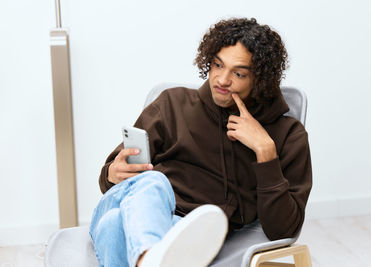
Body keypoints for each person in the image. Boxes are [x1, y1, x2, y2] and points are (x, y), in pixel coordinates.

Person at [90, 17, 312, 267]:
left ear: (260, 79)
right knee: (152, 181)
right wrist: (111, 173)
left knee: (112, 225)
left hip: (185, 231)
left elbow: (283, 230)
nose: (222, 80)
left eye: (238, 73)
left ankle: (148, 257)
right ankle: (148, 257)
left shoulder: (287, 135)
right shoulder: (172, 104)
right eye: (217, 65)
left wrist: (265, 152)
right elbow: (109, 184)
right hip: (138, 204)